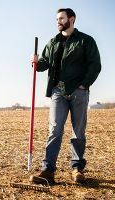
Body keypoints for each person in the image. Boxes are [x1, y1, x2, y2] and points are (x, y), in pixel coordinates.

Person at [30, 8, 101, 184]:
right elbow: (43, 64)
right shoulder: (53, 42)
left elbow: (95, 65)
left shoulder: (85, 40)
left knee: (78, 131)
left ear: (72, 19)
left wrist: (84, 84)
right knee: (54, 130)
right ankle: (48, 171)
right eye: (56, 19)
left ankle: (77, 169)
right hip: (58, 91)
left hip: (79, 91)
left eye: (61, 18)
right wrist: (35, 62)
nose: (58, 21)